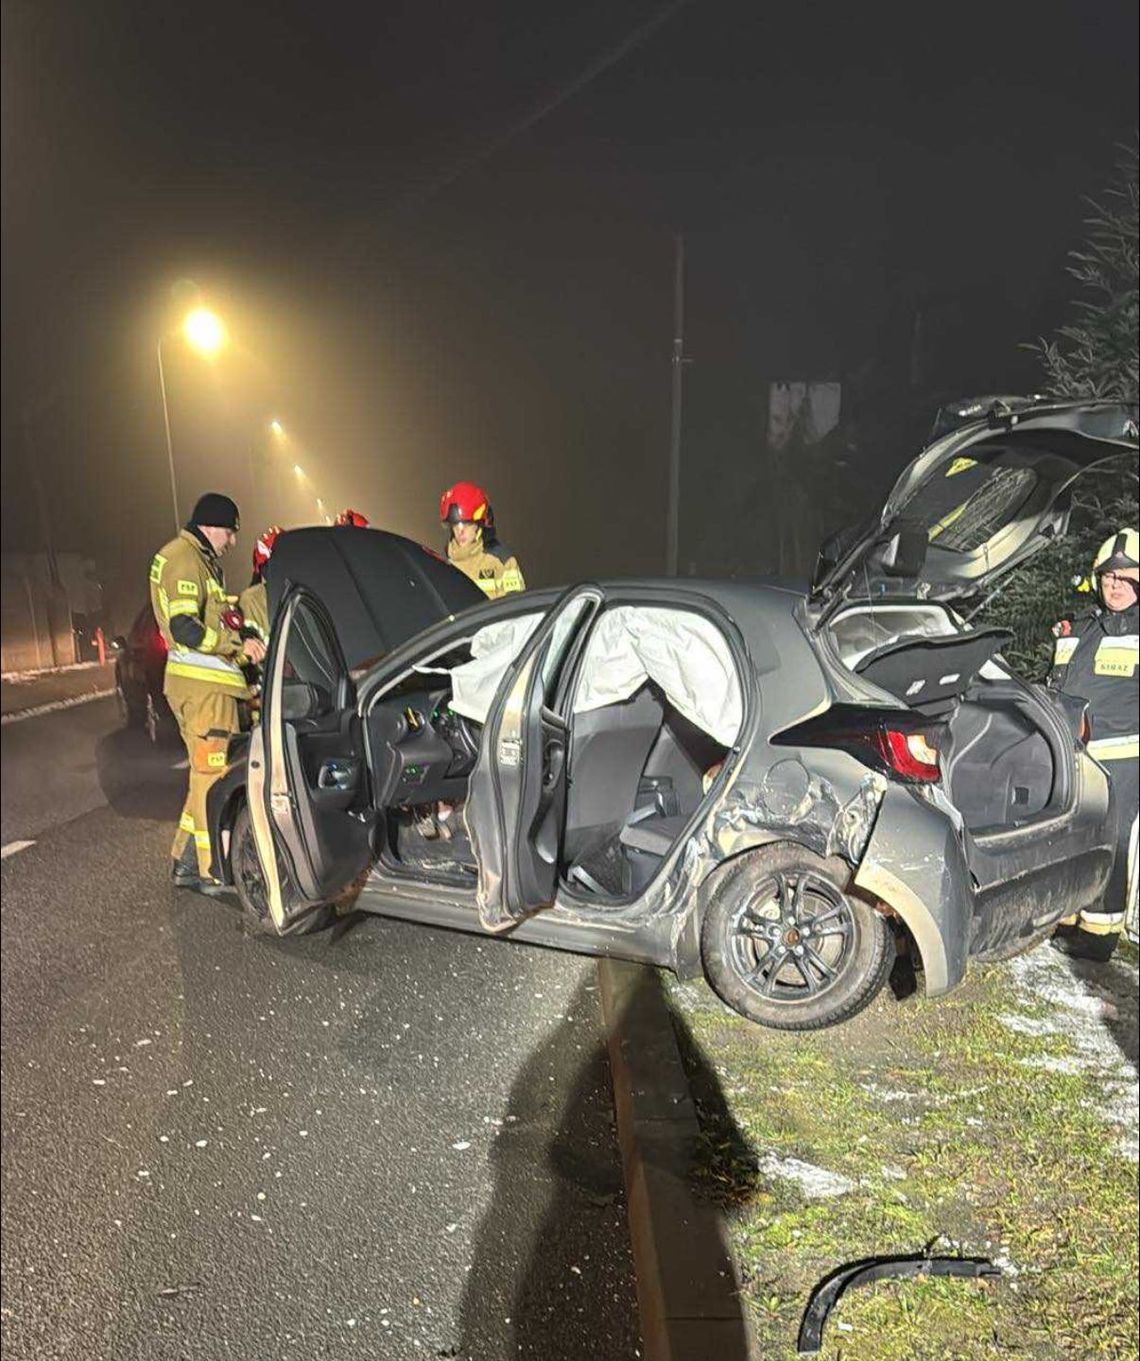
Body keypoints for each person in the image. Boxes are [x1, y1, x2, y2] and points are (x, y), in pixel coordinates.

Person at [150, 493, 266, 893]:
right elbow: (185, 627)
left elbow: (216, 616)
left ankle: (185, 861)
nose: (232, 541)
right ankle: (209, 869)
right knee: (211, 779)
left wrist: (245, 633)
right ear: (213, 526)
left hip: (209, 692)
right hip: (203, 693)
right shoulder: (184, 558)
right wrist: (236, 648)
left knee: (203, 776)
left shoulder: (200, 561)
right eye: (231, 533)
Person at [1049, 527, 1139, 960]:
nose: (1115, 586)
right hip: (1076, 757)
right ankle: (1069, 919)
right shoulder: (1080, 626)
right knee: (1074, 836)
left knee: (1113, 843)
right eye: (1108, 577)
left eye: (1125, 578)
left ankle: (1101, 936)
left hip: (1124, 761)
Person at [439, 481, 525, 597]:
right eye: (456, 525)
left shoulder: (502, 561)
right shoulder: (443, 567)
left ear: (479, 524)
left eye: (467, 524)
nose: (461, 531)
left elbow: (515, 607)